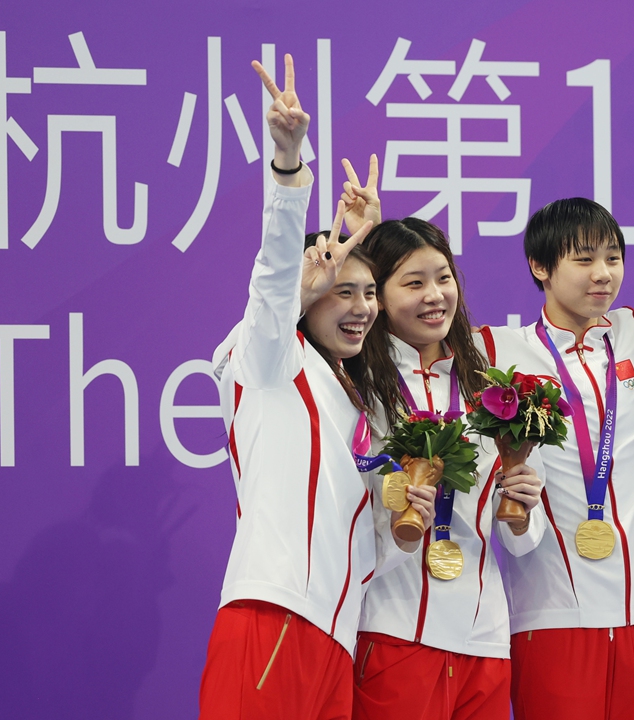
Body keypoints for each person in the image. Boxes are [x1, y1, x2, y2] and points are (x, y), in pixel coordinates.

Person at [197, 54, 406, 719]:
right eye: (341, 291)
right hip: (271, 618)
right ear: (307, 296)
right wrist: (289, 168)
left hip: (336, 641)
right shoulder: (267, 364)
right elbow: (273, 276)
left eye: (370, 294)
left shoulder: (359, 400)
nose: (363, 307)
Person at [336, 158, 546, 720]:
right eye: (413, 283)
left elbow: (521, 538)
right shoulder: (355, 385)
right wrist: (354, 241)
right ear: (374, 295)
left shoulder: (488, 387)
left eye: (443, 277)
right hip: (393, 630)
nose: (435, 296)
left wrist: (524, 511)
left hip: (482, 636)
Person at [477, 198, 634, 720]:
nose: (604, 274)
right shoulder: (496, 354)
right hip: (551, 615)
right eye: (585, 259)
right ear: (540, 267)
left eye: (613, 258)